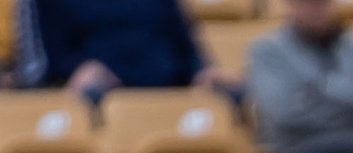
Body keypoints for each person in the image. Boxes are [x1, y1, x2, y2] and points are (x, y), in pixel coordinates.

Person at [246, 0, 353, 153]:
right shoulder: (267, 50)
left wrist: (321, 88)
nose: (315, 10)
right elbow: (284, 112)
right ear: (290, 5)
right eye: (308, 3)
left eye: (323, 3)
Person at [18, 0, 217, 95]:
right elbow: (41, 66)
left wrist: (202, 71)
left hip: (170, 89)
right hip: (100, 94)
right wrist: (76, 71)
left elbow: (185, 46)